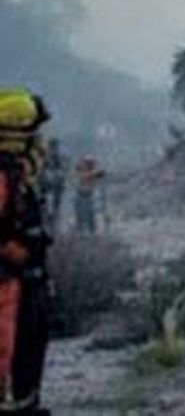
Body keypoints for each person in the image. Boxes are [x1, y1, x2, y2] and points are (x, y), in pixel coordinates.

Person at [0, 90, 52, 415]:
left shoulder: (18, 176)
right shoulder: (3, 176)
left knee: (28, 361)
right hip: (8, 287)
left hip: (26, 285)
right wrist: (15, 252)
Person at [71, 158, 104, 235]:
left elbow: (97, 174)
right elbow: (84, 176)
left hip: (88, 197)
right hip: (80, 197)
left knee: (90, 216)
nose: (90, 165)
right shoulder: (81, 172)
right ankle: (80, 233)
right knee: (80, 217)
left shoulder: (92, 172)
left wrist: (98, 174)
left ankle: (91, 233)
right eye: (88, 163)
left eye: (91, 164)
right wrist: (95, 174)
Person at [36, 144, 63, 239]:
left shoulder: (58, 162)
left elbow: (61, 178)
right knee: (43, 208)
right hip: (44, 189)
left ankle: (52, 229)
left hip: (54, 190)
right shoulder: (42, 163)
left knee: (54, 209)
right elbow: (39, 177)